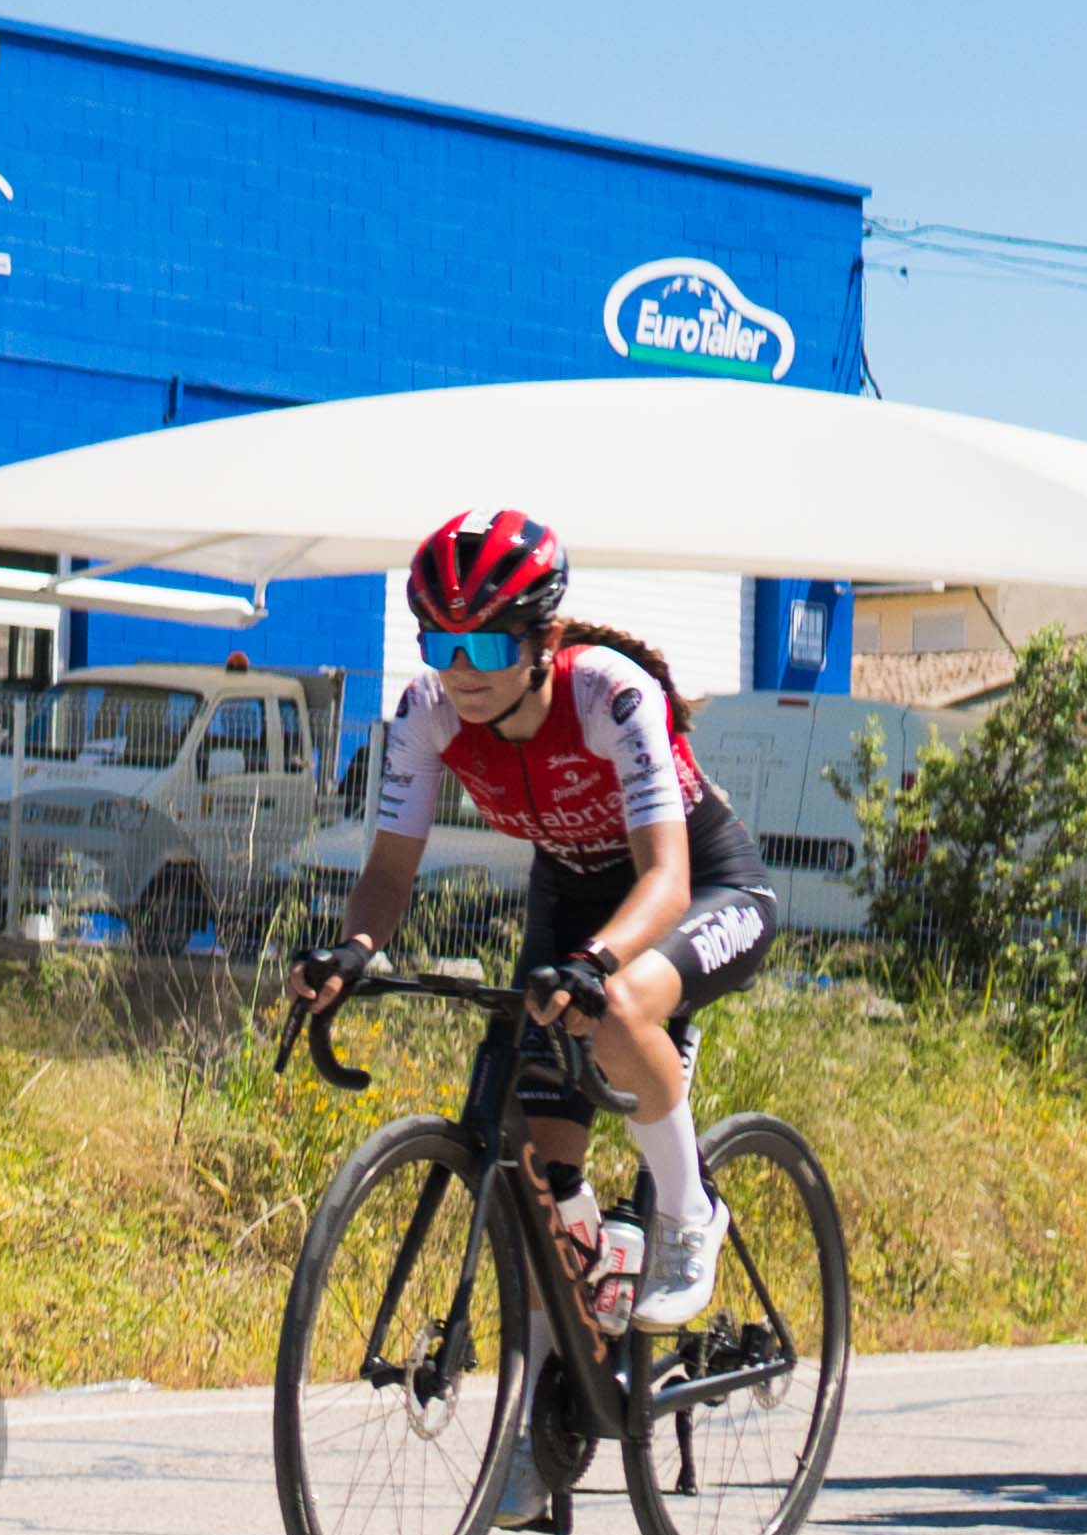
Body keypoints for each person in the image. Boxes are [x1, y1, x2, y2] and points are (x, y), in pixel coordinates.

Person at [315, 507, 764, 1328]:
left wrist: (597, 964)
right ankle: (578, 1355)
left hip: (701, 887)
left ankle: (688, 1215)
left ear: (543, 642)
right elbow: (388, 871)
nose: (461, 671)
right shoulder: (426, 713)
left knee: (618, 1009)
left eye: (486, 647)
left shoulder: (609, 696)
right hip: (573, 899)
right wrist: (352, 950)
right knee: (541, 1184)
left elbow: (665, 880)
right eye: (439, 644)